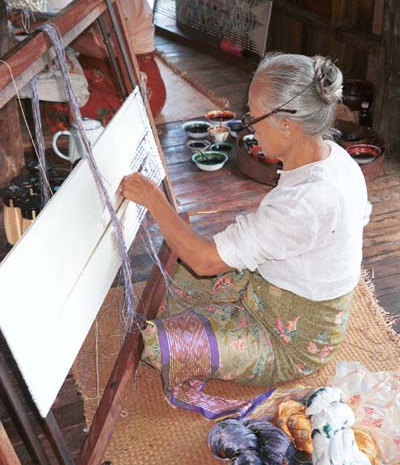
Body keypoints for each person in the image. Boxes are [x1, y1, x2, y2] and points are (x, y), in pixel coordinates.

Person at [120, 53, 371, 418]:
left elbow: (205, 262)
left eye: (255, 116)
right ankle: (229, 307)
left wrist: (154, 201)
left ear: (287, 125)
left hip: (294, 341)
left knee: (162, 343)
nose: (248, 126)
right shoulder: (335, 159)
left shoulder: (307, 202)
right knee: (168, 278)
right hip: (265, 291)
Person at [10, 0, 166, 129]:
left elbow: (100, 50)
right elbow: (76, 16)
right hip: (113, 70)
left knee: (60, 109)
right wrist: (36, 17)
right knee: (51, 86)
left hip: (135, 84)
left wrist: (49, 27)